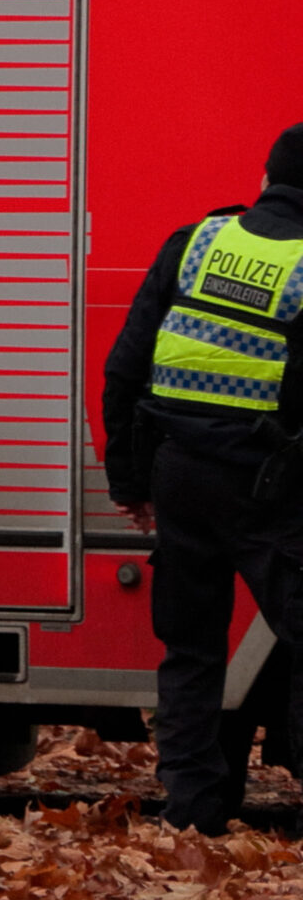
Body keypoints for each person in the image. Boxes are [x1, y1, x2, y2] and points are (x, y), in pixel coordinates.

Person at [102, 121, 303, 834]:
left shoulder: (195, 244)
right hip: (268, 489)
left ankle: (191, 815)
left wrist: (130, 483)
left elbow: (125, 369)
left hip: (179, 476)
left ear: (264, 180)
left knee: (190, 651)